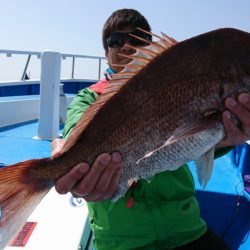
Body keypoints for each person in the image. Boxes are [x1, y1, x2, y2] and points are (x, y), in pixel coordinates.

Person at [52, 9, 250, 250]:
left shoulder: (179, 78)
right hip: (122, 240)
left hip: (186, 228)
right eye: (115, 41)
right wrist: (67, 155)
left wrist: (226, 137)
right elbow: (76, 133)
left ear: (150, 47)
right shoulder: (88, 98)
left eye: (136, 39)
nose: (126, 47)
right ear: (106, 53)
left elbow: (199, 141)